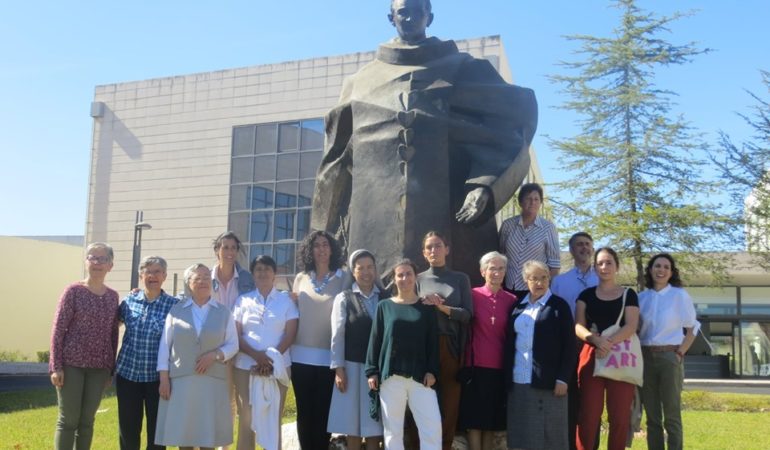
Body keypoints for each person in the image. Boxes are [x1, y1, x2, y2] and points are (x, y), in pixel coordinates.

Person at [311, 0, 538, 287]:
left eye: (417, 11)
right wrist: (321, 239)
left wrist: (485, 184)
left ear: (429, 17)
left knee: (453, 305)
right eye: (402, 11)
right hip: (373, 226)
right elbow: (334, 164)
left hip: (451, 217)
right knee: (374, 303)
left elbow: (512, 123)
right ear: (390, 17)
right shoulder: (359, 82)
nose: (409, 17)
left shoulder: (464, 69)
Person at [155, 264, 239, 449]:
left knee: (207, 437)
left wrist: (216, 355)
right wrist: (164, 378)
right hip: (182, 381)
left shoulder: (223, 312)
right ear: (188, 283)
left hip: (212, 382)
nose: (203, 281)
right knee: (184, 436)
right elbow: (165, 346)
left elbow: (233, 344)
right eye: (197, 278)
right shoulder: (176, 311)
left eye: (207, 278)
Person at [49, 242, 120, 450]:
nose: (97, 262)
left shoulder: (113, 296)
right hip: (71, 366)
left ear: (110, 265)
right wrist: (56, 366)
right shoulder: (73, 291)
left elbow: (113, 334)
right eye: (92, 257)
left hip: (99, 369)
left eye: (102, 259)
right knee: (68, 420)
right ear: (86, 261)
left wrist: (110, 370)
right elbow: (58, 329)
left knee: (87, 421)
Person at [366, 259, 441, 450]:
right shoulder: (384, 306)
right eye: (400, 275)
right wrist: (372, 371)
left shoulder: (426, 308)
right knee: (393, 432)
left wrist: (432, 371)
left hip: (421, 377)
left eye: (408, 274)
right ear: (394, 279)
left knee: (432, 427)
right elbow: (375, 340)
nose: (404, 278)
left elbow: (433, 342)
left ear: (415, 277)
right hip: (391, 377)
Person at [505, 260, 575, 450]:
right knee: (521, 435)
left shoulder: (559, 306)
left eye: (543, 277)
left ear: (549, 279)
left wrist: (563, 379)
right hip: (519, 380)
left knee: (550, 437)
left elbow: (570, 346)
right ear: (526, 280)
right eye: (534, 278)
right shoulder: (518, 306)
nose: (539, 283)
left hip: (549, 383)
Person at [574, 248, 640, 450]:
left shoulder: (629, 294)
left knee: (619, 417)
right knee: (588, 416)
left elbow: (631, 325)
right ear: (595, 268)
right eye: (600, 263)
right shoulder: (586, 294)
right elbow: (578, 325)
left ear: (617, 266)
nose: (604, 267)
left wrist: (607, 343)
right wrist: (595, 340)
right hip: (591, 356)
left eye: (609, 262)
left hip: (621, 355)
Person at [232, 255, 299, 450]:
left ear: (274, 273)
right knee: (246, 419)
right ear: (252, 274)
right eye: (258, 269)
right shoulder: (242, 301)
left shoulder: (285, 301)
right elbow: (236, 334)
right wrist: (256, 356)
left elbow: (290, 333)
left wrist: (269, 359)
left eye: (267, 269)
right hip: (246, 367)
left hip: (277, 368)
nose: (263, 273)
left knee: (272, 418)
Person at [115, 256, 178, 450]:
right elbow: (112, 327)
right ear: (141, 275)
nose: (153, 276)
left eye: (157, 271)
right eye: (148, 271)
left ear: (165, 276)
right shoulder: (128, 301)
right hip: (128, 375)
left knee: (157, 433)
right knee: (128, 430)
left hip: (158, 379)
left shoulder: (174, 306)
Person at [291, 230, 346, 449]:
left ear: (332, 249)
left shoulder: (344, 277)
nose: (321, 249)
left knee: (323, 414)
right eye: (316, 245)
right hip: (301, 357)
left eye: (325, 245)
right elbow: (293, 312)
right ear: (310, 250)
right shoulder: (301, 278)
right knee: (304, 413)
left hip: (329, 358)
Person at [417, 231, 472, 450]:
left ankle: (445, 446)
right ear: (423, 252)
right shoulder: (417, 278)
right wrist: (423, 303)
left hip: (450, 346)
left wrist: (441, 307)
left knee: (450, 404)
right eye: (429, 247)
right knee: (420, 402)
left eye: (438, 246)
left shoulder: (460, 278)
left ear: (447, 249)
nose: (433, 250)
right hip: (423, 348)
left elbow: (468, 314)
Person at [638, 253, 699, 450]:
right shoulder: (641, 298)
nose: (661, 270)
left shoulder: (679, 296)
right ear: (650, 269)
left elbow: (692, 329)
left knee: (672, 415)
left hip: (669, 358)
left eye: (666, 267)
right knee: (652, 416)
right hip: (645, 358)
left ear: (671, 272)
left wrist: (680, 353)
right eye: (657, 266)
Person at [458, 251, 518, 450]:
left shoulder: (511, 300)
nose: (497, 272)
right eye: (492, 268)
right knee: (474, 419)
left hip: (499, 366)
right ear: (483, 271)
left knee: (491, 420)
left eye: (501, 268)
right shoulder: (472, 295)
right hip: (475, 365)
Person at [328, 249, 385, 449]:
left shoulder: (385, 298)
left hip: (378, 371)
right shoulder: (344, 298)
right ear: (353, 271)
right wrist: (339, 369)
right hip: (352, 368)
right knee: (352, 428)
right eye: (361, 268)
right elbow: (337, 334)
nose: (366, 272)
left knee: (374, 428)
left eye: (370, 267)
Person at [551, 232, 599, 450]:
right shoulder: (560, 282)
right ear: (571, 250)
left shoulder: (602, 279)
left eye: (587, 244)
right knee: (569, 403)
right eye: (579, 245)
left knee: (592, 404)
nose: (584, 248)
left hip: (596, 347)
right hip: (568, 347)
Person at [499, 183, 560, 298]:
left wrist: (546, 290)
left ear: (540, 203)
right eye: (528, 199)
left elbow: (554, 264)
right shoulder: (508, 225)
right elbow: (501, 256)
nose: (533, 202)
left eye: (536, 199)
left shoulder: (548, 228)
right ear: (520, 202)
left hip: (534, 290)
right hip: (508, 288)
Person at [211, 231, 256, 310]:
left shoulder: (248, 279)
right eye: (226, 248)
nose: (230, 252)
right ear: (217, 250)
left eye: (233, 248)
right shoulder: (206, 278)